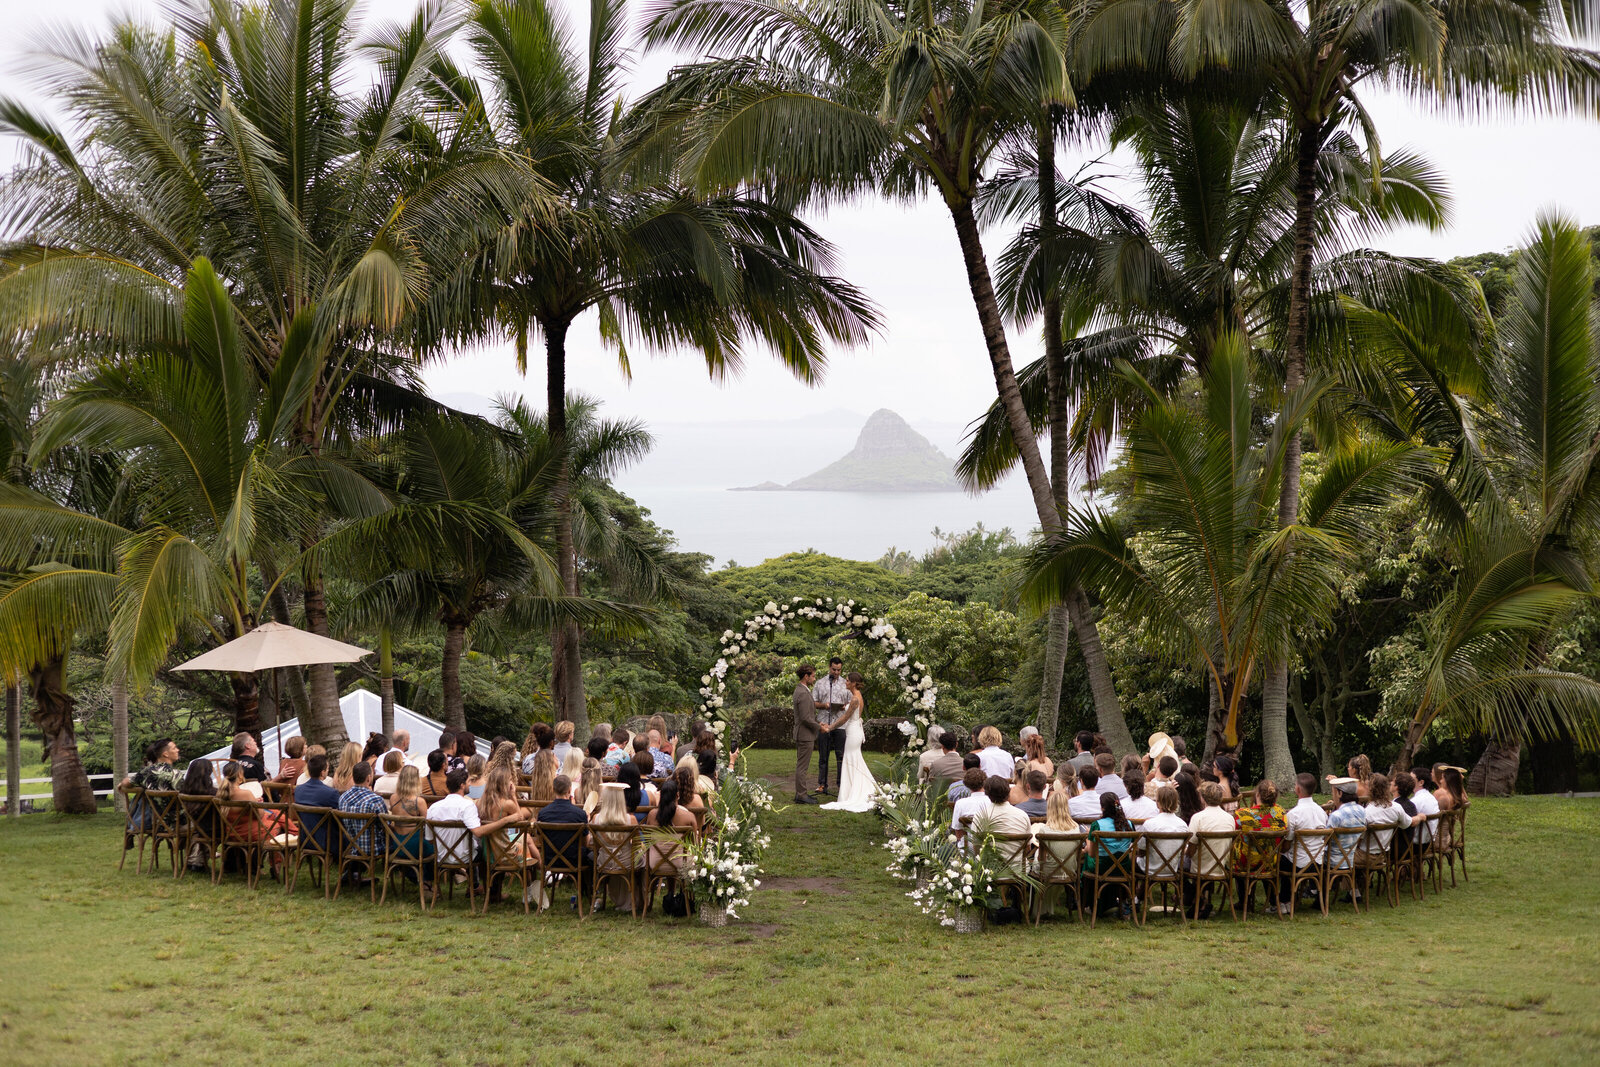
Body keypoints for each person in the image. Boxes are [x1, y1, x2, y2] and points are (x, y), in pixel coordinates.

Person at [428, 767, 525, 867]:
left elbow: (430, 839)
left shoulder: (433, 808)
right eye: (468, 782)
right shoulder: (467, 806)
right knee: (481, 850)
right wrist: (505, 819)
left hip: (442, 857)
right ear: (462, 785)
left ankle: (475, 879)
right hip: (466, 857)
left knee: (484, 848)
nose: (470, 784)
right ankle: (475, 881)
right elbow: (478, 832)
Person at [820, 672, 878, 812]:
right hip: (854, 730)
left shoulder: (854, 699)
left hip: (853, 732)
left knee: (851, 759)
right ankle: (854, 788)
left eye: (847, 680)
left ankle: (854, 792)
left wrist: (830, 728)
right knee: (853, 760)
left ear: (853, 683)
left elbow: (845, 718)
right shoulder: (856, 697)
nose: (845, 682)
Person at [1279, 772, 1328, 915]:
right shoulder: (1322, 812)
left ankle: (1284, 900)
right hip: (1318, 862)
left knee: (1280, 859)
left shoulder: (1293, 814)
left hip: (1299, 863)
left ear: (1298, 790)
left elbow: (1287, 845)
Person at [588, 782, 640, 911]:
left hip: (604, 862)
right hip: (627, 863)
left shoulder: (596, 819)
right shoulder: (631, 819)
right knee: (642, 860)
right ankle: (639, 899)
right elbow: (638, 844)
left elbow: (595, 845)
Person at [1187, 781, 1236, 917]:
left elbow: (1191, 850)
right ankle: (1201, 900)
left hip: (1201, 867)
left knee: (1182, 865)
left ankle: (1197, 900)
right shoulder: (1230, 818)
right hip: (1221, 865)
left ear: (1202, 798)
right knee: (1207, 857)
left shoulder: (1198, 818)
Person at [1233, 778, 1287, 883]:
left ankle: (1244, 898)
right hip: (1270, 863)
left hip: (1245, 864)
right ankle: (1271, 896)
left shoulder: (1242, 815)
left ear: (1257, 794)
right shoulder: (1281, 813)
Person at [337, 762, 389, 872]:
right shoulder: (375, 800)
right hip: (372, 848)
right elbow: (386, 826)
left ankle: (352, 874)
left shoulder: (343, 797)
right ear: (369, 778)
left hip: (350, 846)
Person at [973, 775, 1032, 872]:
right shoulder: (1022, 815)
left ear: (987, 794)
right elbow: (1027, 848)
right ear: (1009, 792)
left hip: (989, 871)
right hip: (1017, 871)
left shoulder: (980, 816)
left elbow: (977, 848)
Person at [812, 656, 850, 794]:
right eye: (834, 669)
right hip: (824, 723)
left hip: (840, 724)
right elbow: (813, 702)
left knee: (841, 755)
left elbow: (852, 702)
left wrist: (844, 707)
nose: (836, 672)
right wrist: (824, 705)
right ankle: (822, 784)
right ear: (829, 667)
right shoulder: (820, 683)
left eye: (839, 670)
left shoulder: (846, 684)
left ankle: (841, 784)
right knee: (823, 755)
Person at [386, 766, 433, 875]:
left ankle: (415, 876)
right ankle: (428, 882)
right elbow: (429, 825)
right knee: (435, 846)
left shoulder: (393, 798)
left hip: (397, 844)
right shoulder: (419, 802)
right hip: (416, 846)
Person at [1360, 773, 1416, 862]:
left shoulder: (1366, 812)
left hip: (1365, 856)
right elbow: (1406, 824)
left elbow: (1358, 837)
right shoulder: (1396, 807)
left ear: (1370, 790)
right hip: (1384, 855)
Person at [293, 753, 342, 855]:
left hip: (304, 839)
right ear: (323, 772)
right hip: (327, 841)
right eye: (327, 769)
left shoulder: (298, 790)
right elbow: (340, 816)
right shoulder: (330, 793)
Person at [1137, 786, 1189, 876]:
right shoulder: (1182, 825)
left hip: (1150, 868)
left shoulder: (1150, 824)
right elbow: (1183, 850)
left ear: (1158, 803)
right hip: (1173, 868)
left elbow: (1141, 850)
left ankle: (1139, 888)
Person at [792, 663, 821, 804]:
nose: (814, 679)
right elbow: (805, 717)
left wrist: (817, 724)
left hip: (804, 733)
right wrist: (819, 727)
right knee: (802, 766)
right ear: (806, 676)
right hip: (804, 734)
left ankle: (801, 793)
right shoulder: (802, 692)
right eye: (813, 676)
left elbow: (807, 715)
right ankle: (801, 795)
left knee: (801, 765)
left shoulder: (802, 690)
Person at [949, 768, 990, 833]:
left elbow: (958, 832)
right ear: (985, 782)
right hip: (989, 841)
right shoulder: (992, 801)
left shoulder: (960, 803)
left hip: (967, 842)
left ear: (966, 784)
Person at [1409, 767, 1441, 846]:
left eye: (1411, 779)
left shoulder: (1416, 801)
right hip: (1428, 843)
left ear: (1421, 783)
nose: (1408, 781)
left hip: (1415, 845)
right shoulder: (1431, 797)